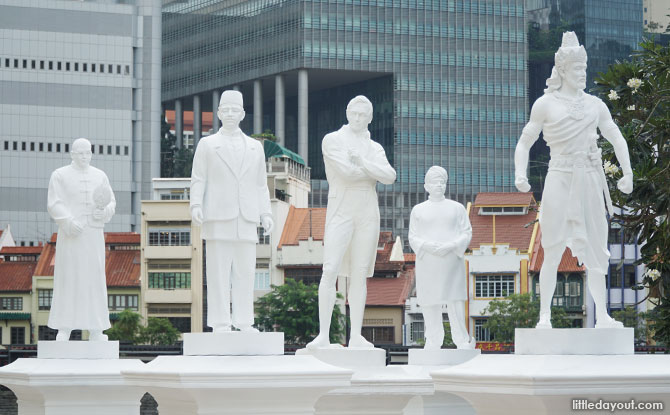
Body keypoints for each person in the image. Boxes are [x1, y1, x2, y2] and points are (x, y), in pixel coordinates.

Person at [514, 32, 633, 328]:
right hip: (560, 176)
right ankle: (544, 317)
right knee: (552, 248)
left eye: (584, 69)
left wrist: (627, 172)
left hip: (590, 179)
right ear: (564, 70)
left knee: (595, 250)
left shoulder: (595, 104)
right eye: (578, 69)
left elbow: (616, 136)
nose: (583, 74)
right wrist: (520, 172)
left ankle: (603, 316)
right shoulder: (544, 104)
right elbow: (524, 141)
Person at [307, 95, 396, 349]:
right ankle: (323, 334)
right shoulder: (332, 140)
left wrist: (364, 163)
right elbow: (346, 172)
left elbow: (390, 176)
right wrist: (370, 172)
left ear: (370, 118)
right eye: (354, 113)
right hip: (341, 209)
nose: (357, 119)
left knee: (359, 273)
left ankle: (355, 334)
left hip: (367, 211)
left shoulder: (374, 148)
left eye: (363, 115)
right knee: (330, 268)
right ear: (347, 113)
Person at [190, 90, 273, 332]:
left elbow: (260, 184)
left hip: (246, 217)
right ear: (217, 113)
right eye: (225, 110)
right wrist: (195, 204)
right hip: (217, 215)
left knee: (245, 273)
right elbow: (198, 179)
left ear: (243, 114)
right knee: (217, 274)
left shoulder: (255, 147)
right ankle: (220, 322)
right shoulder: (207, 145)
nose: (229, 114)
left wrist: (265, 213)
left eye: (234, 110)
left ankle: (244, 321)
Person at [47, 137, 115, 341]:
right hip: (71, 236)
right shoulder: (60, 175)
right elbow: (54, 203)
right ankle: (64, 327)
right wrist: (67, 222)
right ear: (72, 154)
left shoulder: (99, 175)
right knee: (69, 279)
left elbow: (111, 202)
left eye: (88, 152)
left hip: (93, 234)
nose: (85, 156)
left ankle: (96, 328)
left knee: (94, 280)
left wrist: (103, 213)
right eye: (81, 153)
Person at [409, 166, 474, 349]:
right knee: (430, 302)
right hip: (428, 261)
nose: (439, 186)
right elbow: (413, 236)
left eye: (442, 182)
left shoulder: (457, 208)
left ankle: (461, 340)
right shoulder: (418, 210)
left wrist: (451, 245)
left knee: (455, 301)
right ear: (426, 186)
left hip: (452, 261)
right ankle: (433, 340)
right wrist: (428, 246)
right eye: (434, 182)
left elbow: (466, 232)